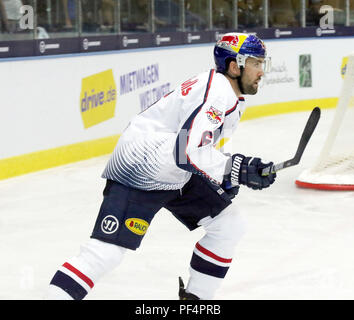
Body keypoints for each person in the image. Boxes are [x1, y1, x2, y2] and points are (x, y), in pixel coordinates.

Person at [45, 32, 276, 300]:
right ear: (235, 66)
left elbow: (196, 147)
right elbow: (187, 151)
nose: (262, 71)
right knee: (106, 252)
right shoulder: (218, 93)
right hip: (142, 163)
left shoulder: (230, 96)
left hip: (173, 166)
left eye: (263, 63)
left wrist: (225, 176)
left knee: (229, 224)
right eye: (256, 63)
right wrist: (235, 168)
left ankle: (194, 300)